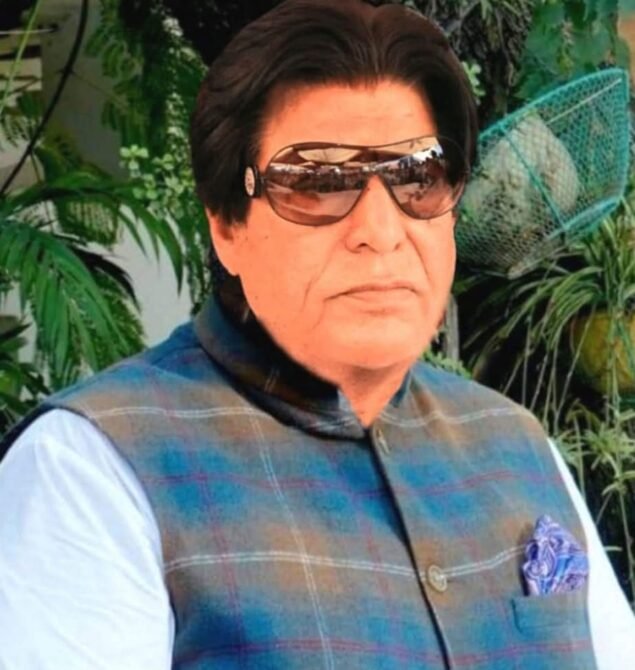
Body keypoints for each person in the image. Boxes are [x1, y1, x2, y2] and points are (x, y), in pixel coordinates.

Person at [0, 1, 634, 668]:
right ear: (227, 226)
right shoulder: (92, 471)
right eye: (319, 181)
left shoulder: (516, 446)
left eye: (418, 176)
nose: (380, 232)